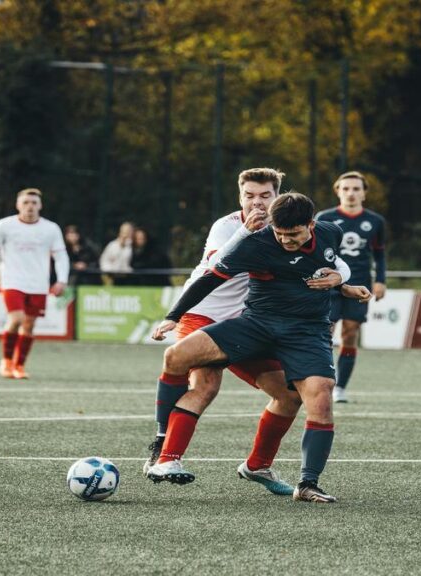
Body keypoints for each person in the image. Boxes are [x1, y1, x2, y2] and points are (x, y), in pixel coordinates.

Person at [146, 192, 371, 503]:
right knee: (176, 355)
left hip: (307, 331)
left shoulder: (331, 231)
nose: (286, 241)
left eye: (293, 235)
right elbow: (210, 278)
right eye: (280, 234)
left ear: (311, 225)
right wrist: (174, 316)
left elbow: (333, 263)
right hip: (256, 325)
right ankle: (162, 442)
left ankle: (307, 484)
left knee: (319, 394)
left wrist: (342, 282)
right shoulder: (255, 242)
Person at [142, 168, 302, 497]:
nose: (256, 202)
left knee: (289, 395)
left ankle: (258, 465)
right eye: (249, 196)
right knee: (206, 384)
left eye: (265, 196)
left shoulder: (285, 230)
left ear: (277, 197)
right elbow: (220, 263)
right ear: (239, 197)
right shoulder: (227, 226)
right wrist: (244, 231)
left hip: (248, 323)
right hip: (202, 314)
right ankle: (165, 452)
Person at [0, 188, 68, 379]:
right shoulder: (4, 226)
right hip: (12, 281)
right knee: (17, 318)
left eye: (34, 203)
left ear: (40, 206)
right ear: (18, 205)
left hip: (38, 284)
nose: (30, 207)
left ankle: (19, 365)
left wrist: (62, 280)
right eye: (26, 202)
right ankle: (6, 361)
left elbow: (60, 256)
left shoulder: (51, 229)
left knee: (28, 325)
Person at [315, 171, 387, 403]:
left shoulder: (375, 221)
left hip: (360, 285)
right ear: (338, 191)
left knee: (350, 333)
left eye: (356, 189)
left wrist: (380, 280)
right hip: (330, 284)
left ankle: (340, 388)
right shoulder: (324, 217)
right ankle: (319, 382)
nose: (351, 193)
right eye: (346, 188)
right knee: (325, 333)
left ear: (364, 193)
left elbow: (380, 254)